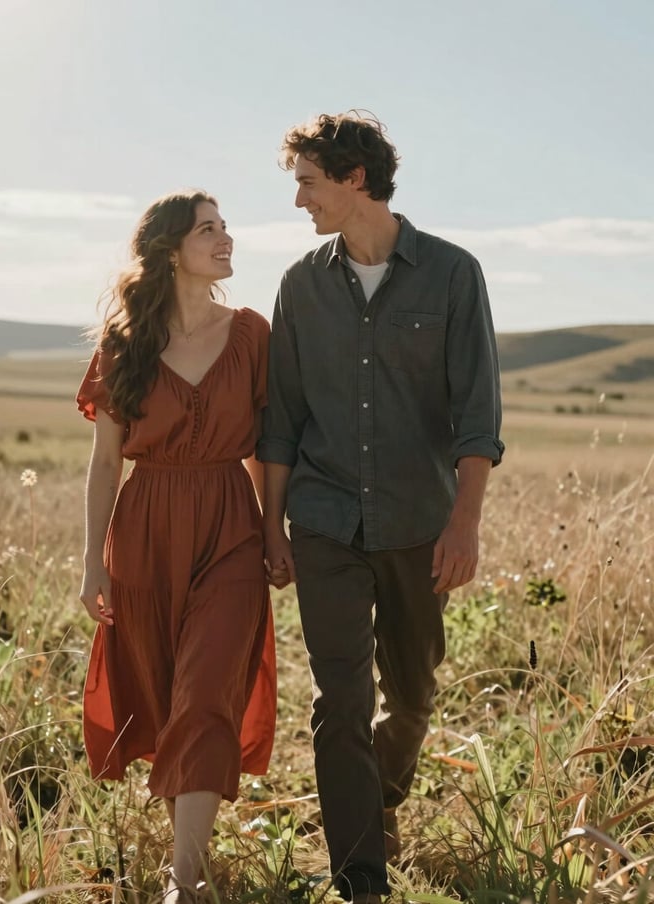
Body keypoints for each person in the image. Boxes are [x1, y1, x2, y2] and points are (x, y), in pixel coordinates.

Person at [258, 112, 504, 903]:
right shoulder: (300, 285)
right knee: (342, 700)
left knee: (412, 697)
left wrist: (463, 522)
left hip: (417, 524)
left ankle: (384, 802)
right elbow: (282, 420)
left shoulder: (453, 275)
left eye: (308, 181)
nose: (299, 200)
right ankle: (361, 879)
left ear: (354, 177)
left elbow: (477, 414)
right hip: (325, 520)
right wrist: (272, 526)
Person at [76, 189, 276, 902]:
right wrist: (91, 559)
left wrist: (274, 530)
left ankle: (184, 882)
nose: (226, 239)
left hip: (229, 524)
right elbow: (106, 463)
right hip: (145, 531)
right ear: (169, 250)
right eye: (208, 230)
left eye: (225, 228)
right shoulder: (125, 344)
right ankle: (190, 858)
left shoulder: (253, 333)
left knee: (205, 692)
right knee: (166, 696)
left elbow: (270, 448)